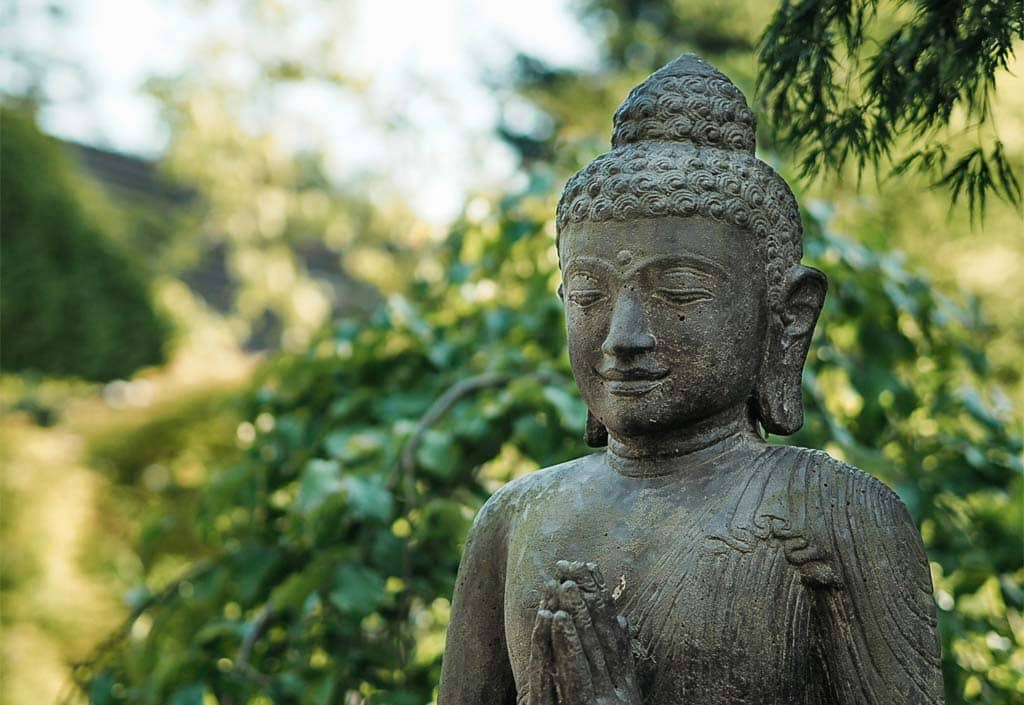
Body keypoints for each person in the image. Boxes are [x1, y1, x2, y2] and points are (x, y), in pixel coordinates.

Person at [438, 54, 944, 705]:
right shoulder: (511, 523)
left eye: (678, 290)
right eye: (589, 293)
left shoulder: (836, 514)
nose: (624, 335)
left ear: (786, 317)